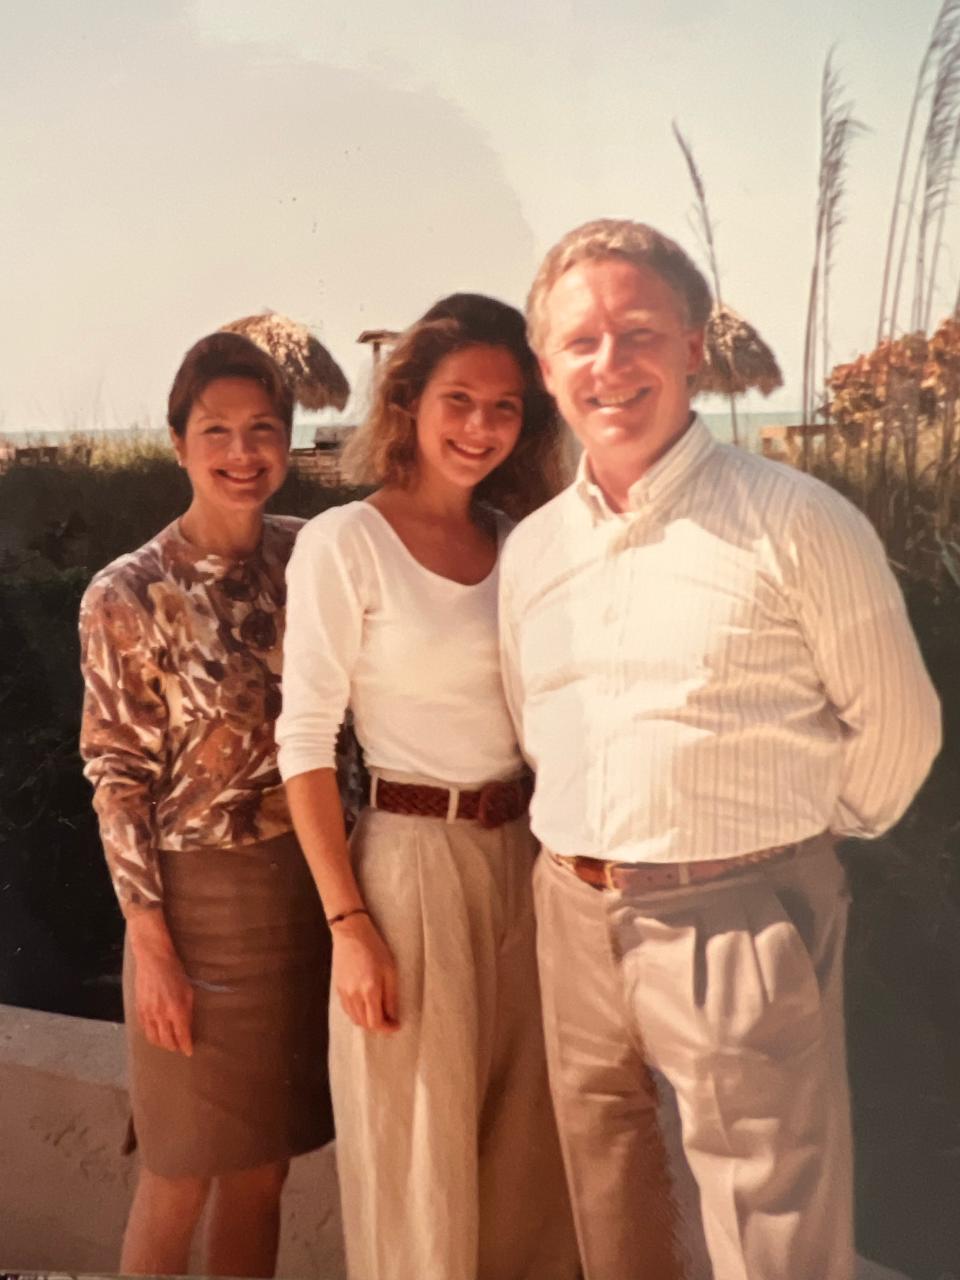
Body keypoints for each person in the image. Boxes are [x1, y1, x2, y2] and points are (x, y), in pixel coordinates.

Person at [498, 219, 943, 1280]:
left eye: (638, 331)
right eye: (581, 341)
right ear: (548, 365)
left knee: (772, 1239)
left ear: (695, 343)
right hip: (569, 909)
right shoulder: (532, 550)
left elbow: (901, 729)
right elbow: (535, 720)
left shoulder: (798, 519)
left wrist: (778, 850)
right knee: (613, 1215)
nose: (610, 364)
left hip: (737, 913)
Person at [276, 293, 579, 1280]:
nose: (482, 427)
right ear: (407, 401)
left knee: (535, 1170)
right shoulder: (346, 543)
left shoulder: (523, 542)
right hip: (409, 870)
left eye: (506, 407)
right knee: (418, 1173)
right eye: (460, 399)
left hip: (532, 864)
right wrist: (349, 924)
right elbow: (306, 744)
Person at [79, 332, 332, 1278]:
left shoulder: (315, 558)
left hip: (300, 899)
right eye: (217, 430)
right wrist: (149, 942)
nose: (242, 452)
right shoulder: (127, 591)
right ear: (179, 442)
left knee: (263, 1172)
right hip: (190, 911)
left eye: (264, 429)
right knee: (180, 1172)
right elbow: (116, 775)